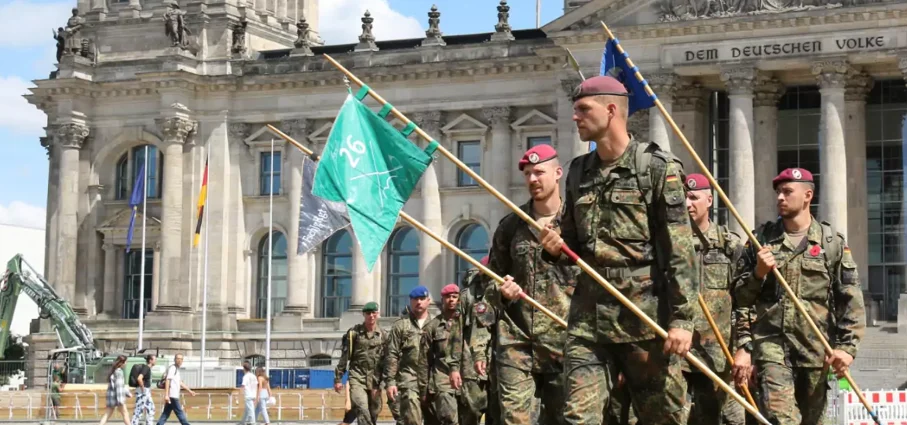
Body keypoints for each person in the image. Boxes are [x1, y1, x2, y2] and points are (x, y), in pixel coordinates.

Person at [537, 75, 698, 426]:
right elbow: (572, 245)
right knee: (578, 418)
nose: (575, 117)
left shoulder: (657, 169)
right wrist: (553, 248)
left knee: (662, 419)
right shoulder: (579, 171)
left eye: (583, 109)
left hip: (644, 319)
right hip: (589, 322)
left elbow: (680, 250)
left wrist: (683, 320)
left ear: (611, 110)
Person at [732, 167, 866, 426]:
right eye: (778, 192)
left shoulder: (831, 243)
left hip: (815, 352)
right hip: (771, 347)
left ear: (808, 195)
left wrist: (847, 349)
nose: (780, 198)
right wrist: (758, 273)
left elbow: (850, 300)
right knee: (782, 419)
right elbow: (739, 298)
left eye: (787, 192)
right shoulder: (760, 240)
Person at [484, 144, 578, 426]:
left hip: (566, 341)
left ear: (558, 173)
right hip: (517, 342)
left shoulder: (577, 224)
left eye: (539, 172)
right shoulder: (512, 225)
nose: (532, 179)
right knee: (516, 421)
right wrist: (501, 291)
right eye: (527, 174)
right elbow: (488, 281)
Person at [682, 173, 745, 426]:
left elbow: (745, 302)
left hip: (718, 358)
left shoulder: (729, 245)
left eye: (694, 198)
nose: (688, 204)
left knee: (728, 420)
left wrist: (744, 348)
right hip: (678, 355)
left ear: (709, 200)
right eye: (684, 197)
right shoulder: (668, 245)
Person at [454, 257, 496, 426]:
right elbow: (456, 333)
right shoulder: (467, 296)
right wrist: (454, 367)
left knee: (498, 414)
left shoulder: (502, 291)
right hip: (471, 366)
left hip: (499, 363)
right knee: (471, 413)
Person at [384, 286, 433, 426]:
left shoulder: (437, 324)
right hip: (409, 378)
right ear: (410, 301)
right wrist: (390, 382)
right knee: (412, 420)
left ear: (428, 301)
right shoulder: (401, 326)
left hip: (433, 380)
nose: (419, 302)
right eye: (415, 299)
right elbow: (392, 354)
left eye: (422, 299)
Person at [418, 284, 463, 426]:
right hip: (442, 380)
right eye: (447, 297)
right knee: (449, 419)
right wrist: (423, 388)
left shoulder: (467, 323)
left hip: (466, 379)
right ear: (442, 299)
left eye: (454, 297)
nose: (451, 300)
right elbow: (425, 360)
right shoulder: (433, 326)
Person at [335, 301, 385, 426]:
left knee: (373, 413)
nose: (371, 316)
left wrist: (385, 382)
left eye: (374, 313)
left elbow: (387, 360)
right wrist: (338, 378)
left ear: (378, 314)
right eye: (368, 313)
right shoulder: (354, 333)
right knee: (362, 408)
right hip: (357, 378)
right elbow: (344, 357)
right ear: (364, 314)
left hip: (375, 380)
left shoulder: (383, 335)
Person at [156, 353, 196, 426]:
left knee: (166, 413)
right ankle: (186, 425)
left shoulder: (176, 370)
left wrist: (189, 390)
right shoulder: (173, 368)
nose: (179, 360)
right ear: (174, 360)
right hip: (172, 395)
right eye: (178, 359)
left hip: (173, 395)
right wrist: (167, 395)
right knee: (179, 412)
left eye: (181, 359)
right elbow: (168, 380)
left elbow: (180, 383)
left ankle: (159, 424)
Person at [99, 355, 132, 426]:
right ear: (122, 363)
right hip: (117, 397)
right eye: (126, 362)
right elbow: (119, 387)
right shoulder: (119, 372)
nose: (126, 364)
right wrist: (121, 400)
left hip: (111, 396)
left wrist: (127, 393)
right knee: (125, 413)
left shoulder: (113, 371)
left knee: (107, 414)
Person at [130, 355, 157, 426]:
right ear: (150, 360)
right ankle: (133, 424)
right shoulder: (146, 368)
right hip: (143, 391)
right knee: (139, 410)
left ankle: (149, 424)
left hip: (146, 391)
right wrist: (143, 389)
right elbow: (139, 378)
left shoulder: (147, 368)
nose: (156, 361)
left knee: (151, 408)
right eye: (155, 359)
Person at [241, 361, 257, 425]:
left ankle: (252, 422)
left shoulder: (245, 377)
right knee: (247, 409)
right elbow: (256, 385)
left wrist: (239, 394)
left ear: (244, 368)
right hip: (253, 394)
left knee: (250, 409)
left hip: (248, 395)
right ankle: (243, 421)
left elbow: (243, 385)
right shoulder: (253, 376)